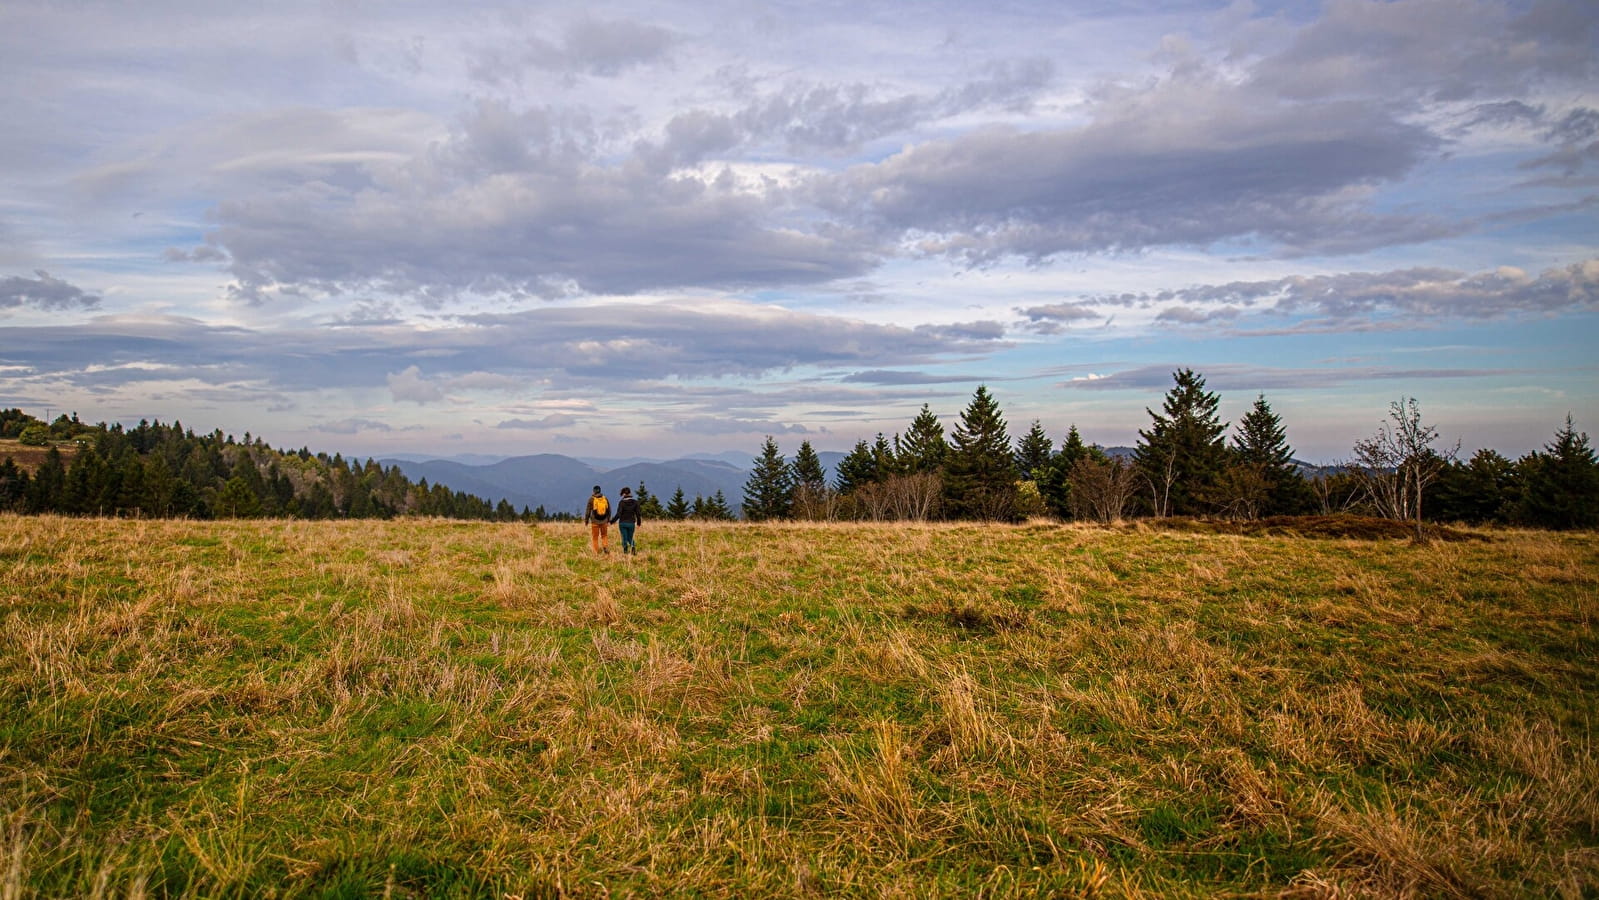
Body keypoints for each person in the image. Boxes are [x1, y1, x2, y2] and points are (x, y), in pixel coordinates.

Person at [611, 486, 643, 554]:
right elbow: (638, 514)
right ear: (630, 493)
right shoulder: (635, 502)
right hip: (631, 523)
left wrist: (611, 522)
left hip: (623, 523)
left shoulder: (621, 503)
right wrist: (639, 523)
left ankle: (625, 550)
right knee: (630, 537)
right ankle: (633, 549)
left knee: (624, 537)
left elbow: (618, 514)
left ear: (623, 494)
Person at [584, 485, 611, 554]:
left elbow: (588, 511)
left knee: (595, 537)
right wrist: (608, 520)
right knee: (604, 535)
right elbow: (609, 510)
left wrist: (586, 521)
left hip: (594, 521)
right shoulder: (605, 499)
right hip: (604, 521)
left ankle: (596, 551)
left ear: (593, 491)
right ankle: (605, 546)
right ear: (600, 490)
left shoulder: (591, 499)